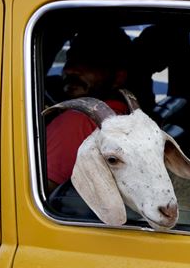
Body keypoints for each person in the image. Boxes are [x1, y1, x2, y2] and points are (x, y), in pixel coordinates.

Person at [45, 27, 132, 194]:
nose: (70, 70)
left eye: (88, 62)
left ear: (118, 77)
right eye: (70, 59)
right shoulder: (127, 113)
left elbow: (30, 194)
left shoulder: (79, 120)